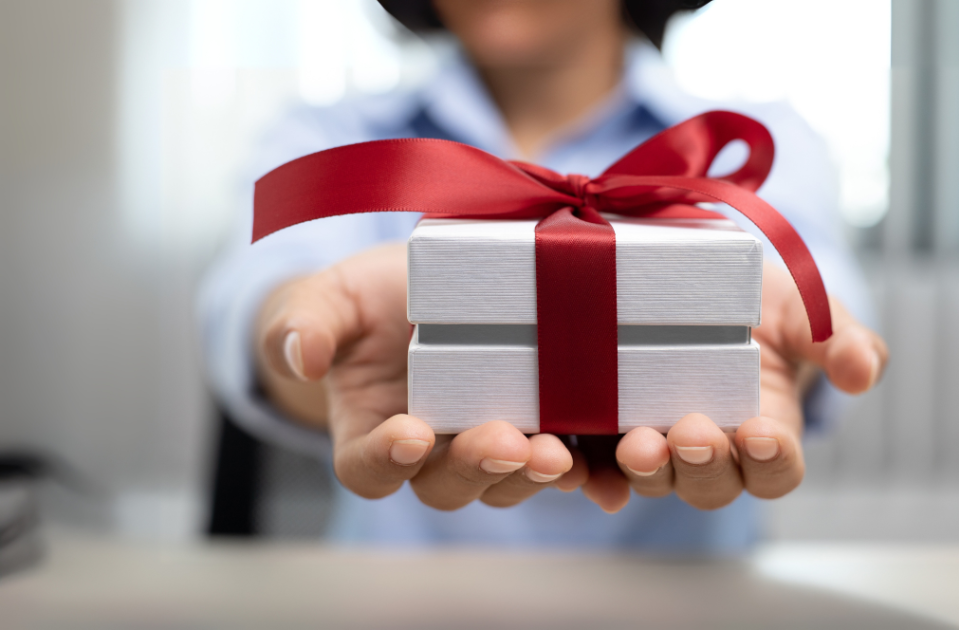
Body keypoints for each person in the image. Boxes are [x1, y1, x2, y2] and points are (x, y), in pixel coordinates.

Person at [200, 0, 888, 551]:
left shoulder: (745, 140)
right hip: (401, 597)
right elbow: (259, 297)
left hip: (686, 599)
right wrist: (308, 332)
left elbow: (816, 305)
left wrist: (777, 352)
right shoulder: (332, 135)